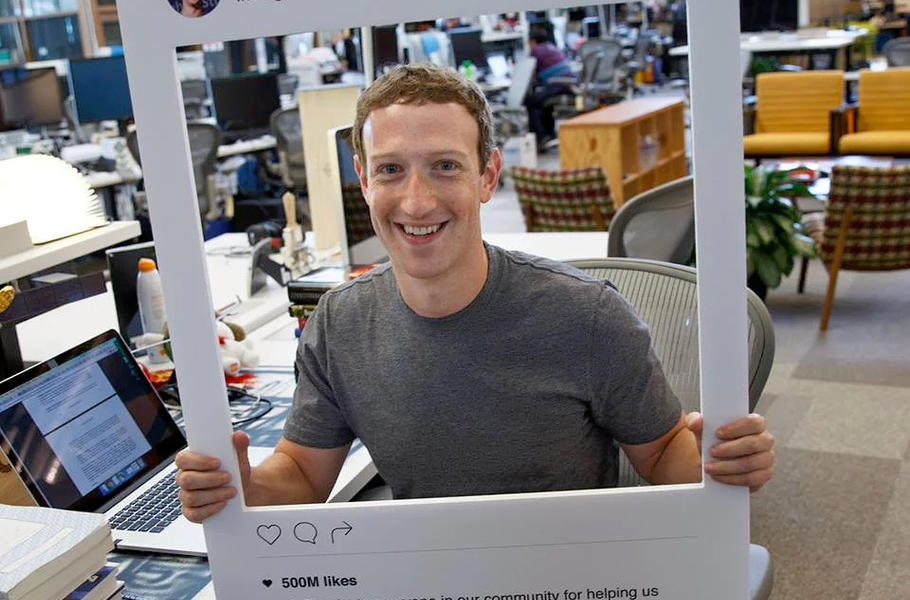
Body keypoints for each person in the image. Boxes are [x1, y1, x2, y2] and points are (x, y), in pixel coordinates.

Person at [176, 64, 774, 521]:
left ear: (487, 176)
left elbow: (662, 453)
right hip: (436, 574)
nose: (415, 202)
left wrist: (719, 462)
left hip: (568, 576)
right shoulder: (340, 323)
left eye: (445, 166)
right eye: (390, 169)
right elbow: (305, 475)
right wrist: (242, 484)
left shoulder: (586, 316)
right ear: (363, 179)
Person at [525, 25, 576, 149]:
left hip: (556, 85)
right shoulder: (554, 48)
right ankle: (550, 134)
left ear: (533, 41)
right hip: (570, 86)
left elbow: (531, 75)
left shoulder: (535, 51)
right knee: (544, 102)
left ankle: (538, 140)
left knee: (530, 101)